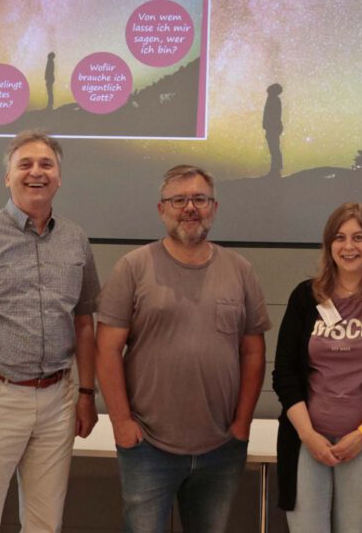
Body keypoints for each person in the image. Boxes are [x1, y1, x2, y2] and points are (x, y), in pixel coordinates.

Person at [0, 129, 100, 533]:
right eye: (24, 164)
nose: (36, 172)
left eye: (46, 164)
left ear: (59, 177)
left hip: (57, 401)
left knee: (45, 523)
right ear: (7, 177)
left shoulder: (76, 240)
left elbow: (84, 322)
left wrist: (85, 394)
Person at [95, 164, 270, 532]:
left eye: (199, 199)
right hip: (147, 446)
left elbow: (254, 353)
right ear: (162, 209)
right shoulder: (133, 268)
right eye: (179, 200)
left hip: (221, 448)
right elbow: (106, 351)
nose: (190, 207)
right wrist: (122, 423)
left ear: (214, 207)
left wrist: (241, 425)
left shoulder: (240, 271)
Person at [273, 202, 362, 532]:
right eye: (339, 237)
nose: (348, 247)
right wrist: (308, 435)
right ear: (329, 244)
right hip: (307, 443)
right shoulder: (305, 296)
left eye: (358, 238)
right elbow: (284, 374)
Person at [263, 82, 283, 177]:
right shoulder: (273, 99)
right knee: (274, 148)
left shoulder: (273, 99)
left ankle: (276, 170)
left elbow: (273, 115)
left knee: (274, 148)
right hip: (273, 127)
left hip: (273, 127)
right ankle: (275, 169)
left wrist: (268, 125)